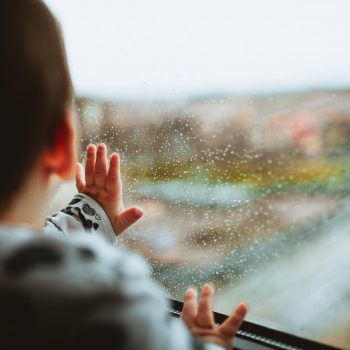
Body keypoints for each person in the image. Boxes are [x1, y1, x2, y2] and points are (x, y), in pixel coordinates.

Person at [0, 0, 248, 349]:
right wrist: (207, 343)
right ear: (60, 147)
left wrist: (90, 212)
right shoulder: (96, 293)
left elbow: (36, 243)